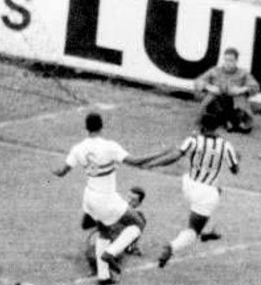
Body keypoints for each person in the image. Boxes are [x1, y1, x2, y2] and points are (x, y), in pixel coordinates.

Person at [52, 113, 160, 284]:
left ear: (86, 127)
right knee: (138, 222)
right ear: (102, 126)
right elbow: (136, 162)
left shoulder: (78, 148)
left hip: (89, 197)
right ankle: (111, 253)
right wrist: (159, 153)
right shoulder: (109, 146)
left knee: (104, 231)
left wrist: (55, 171)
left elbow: (62, 171)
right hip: (106, 197)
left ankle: (104, 277)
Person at [144, 113, 239, 268]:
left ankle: (208, 229)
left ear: (202, 126)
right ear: (219, 127)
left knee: (217, 189)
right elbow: (235, 170)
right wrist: (236, 159)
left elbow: (175, 156)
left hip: (188, 185)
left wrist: (154, 164)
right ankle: (172, 247)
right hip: (205, 194)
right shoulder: (226, 146)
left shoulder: (193, 139)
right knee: (193, 231)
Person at [194, 48, 259, 133]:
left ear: (236, 61)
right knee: (214, 99)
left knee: (245, 125)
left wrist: (241, 89)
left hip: (234, 104)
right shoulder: (215, 71)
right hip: (216, 103)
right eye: (226, 60)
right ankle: (226, 121)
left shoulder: (243, 73)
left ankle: (229, 121)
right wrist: (209, 87)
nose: (228, 63)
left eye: (231, 60)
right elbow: (198, 81)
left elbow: (255, 87)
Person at [84, 187, 146, 275]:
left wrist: (132, 246)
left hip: (112, 241)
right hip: (101, 237)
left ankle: (101, 265)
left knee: (111, 252)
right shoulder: (115, 206)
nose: (129, 201)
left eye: (133, 200)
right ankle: (99, 264)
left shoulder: (138, 217)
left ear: (139, 203)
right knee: (93, 251)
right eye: (128, 197)